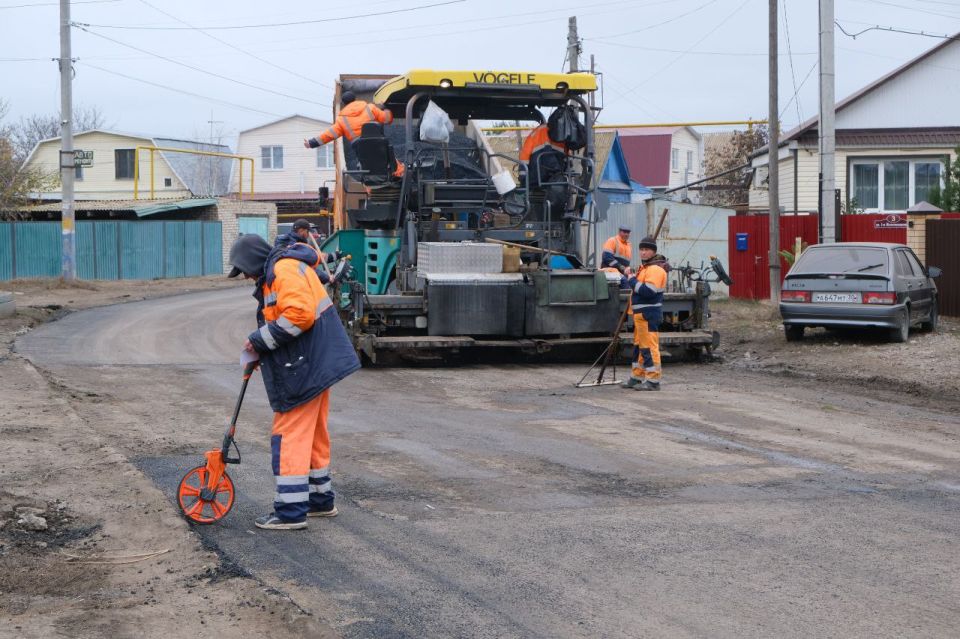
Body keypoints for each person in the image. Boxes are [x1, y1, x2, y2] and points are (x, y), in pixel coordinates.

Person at [227, 233, 361, 530]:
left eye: (244, 270)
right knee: (312, 434)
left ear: (252, 260)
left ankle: (290, 511)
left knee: (288, 434)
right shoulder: (284, 268)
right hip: (316, 362)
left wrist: (259, 341)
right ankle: (319, 500)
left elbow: (299, 316)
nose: (246, 277)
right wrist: (263, 349)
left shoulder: (283, 270)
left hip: (307, 366)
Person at [303, 91, 403, 177]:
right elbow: (387, 119)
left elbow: (328, 135)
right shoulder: (370, 108)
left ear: (344, 103)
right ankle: (400, 174)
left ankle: (372, 189)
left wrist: (311, 143)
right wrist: (386, 108)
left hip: (362, 150)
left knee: (368, 171)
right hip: (379, 144)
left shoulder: (341, 120)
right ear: (355, 99)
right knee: (391, 161)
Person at [620, 236, 668, 391]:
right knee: (639, 347)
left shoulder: (655, 270)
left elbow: (648, 291)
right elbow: (638, 287)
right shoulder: (646, 268)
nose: (643, 252)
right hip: (641, 314)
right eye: (641, 249)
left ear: (653, 251)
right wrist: (631, 277)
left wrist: (632, 279)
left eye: (646, 249)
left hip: (648, 314)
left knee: (649, 347)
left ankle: (653, 381)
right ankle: (637, 377)